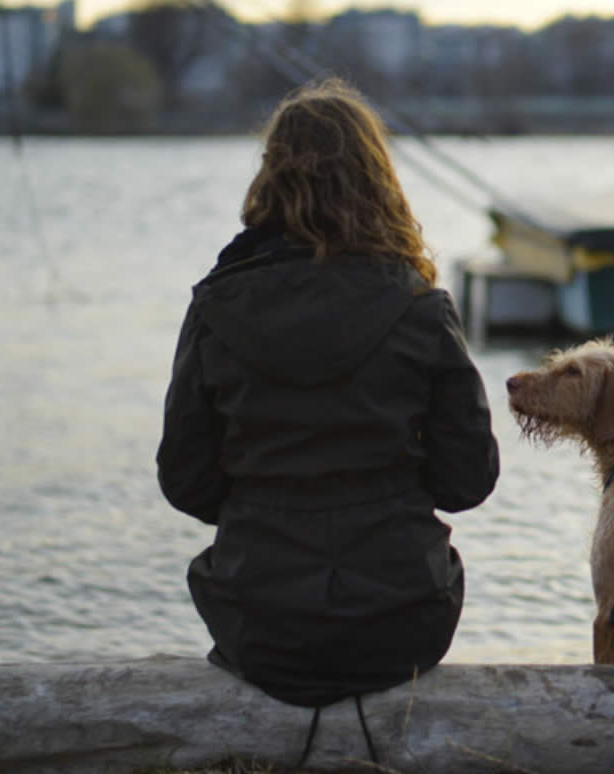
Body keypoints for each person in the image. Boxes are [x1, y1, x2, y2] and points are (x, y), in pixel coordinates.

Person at [156, 78, 499, 708]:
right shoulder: (421, 309)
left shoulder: (216, 306)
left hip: (259, 624)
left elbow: (185, 480)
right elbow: (467, 481)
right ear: (377, 180)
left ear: (270, 179)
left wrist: (268, 503)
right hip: (402, 622)